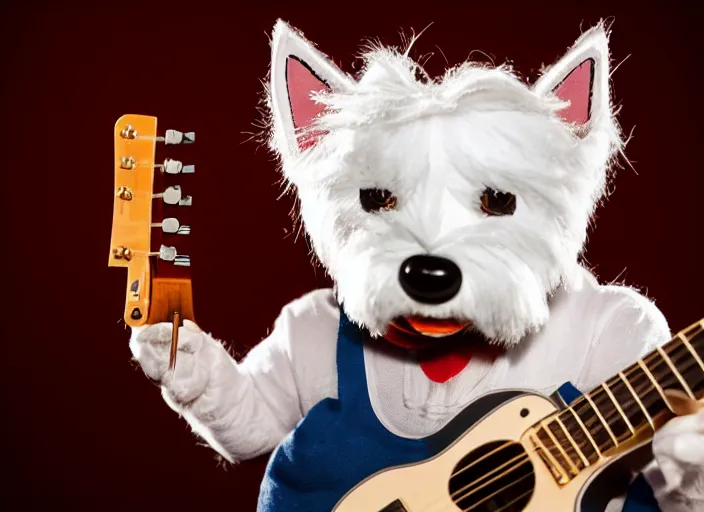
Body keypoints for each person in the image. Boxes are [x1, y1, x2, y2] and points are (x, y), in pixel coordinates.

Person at [129, 20, 704, 511]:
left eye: (495, 202)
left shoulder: (609, 333)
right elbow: (253, 425)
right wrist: (198, 376)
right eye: (380, 200)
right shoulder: (314, 329)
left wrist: (691, 480)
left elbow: (660, 482)